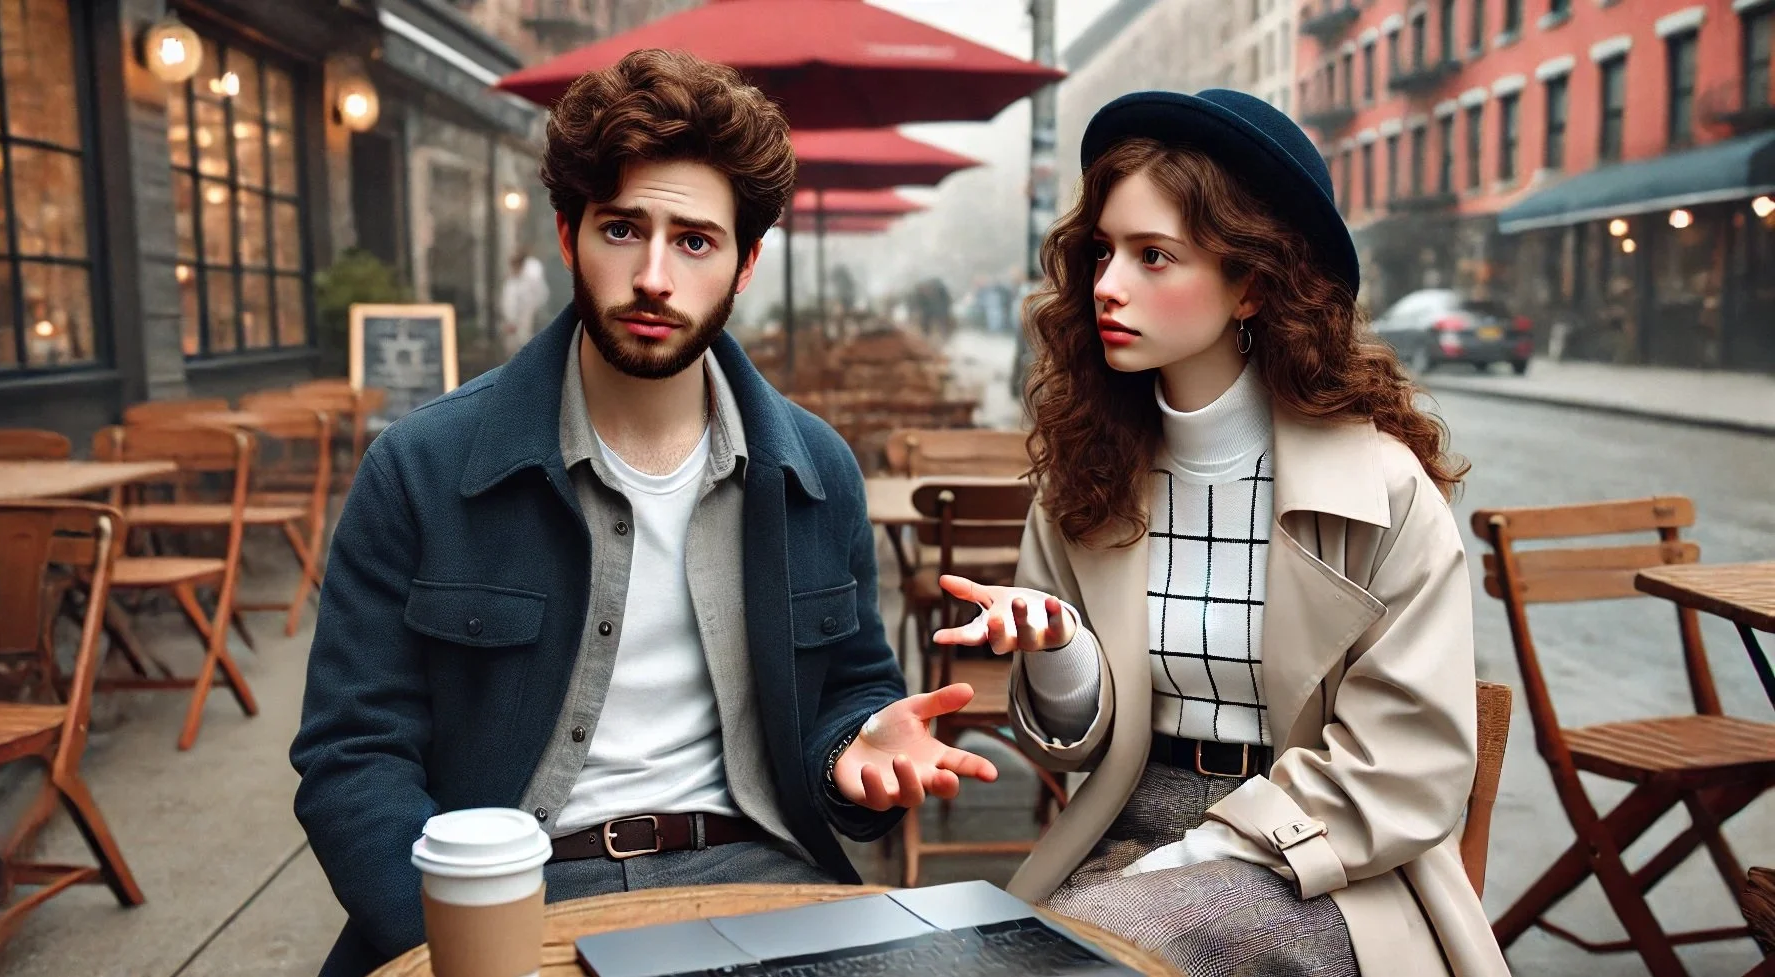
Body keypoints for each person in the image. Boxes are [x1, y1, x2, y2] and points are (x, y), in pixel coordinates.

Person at [291, 49, 998, 977]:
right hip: (517, 896)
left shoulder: (814, 469)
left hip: (762, 878)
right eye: (624, 229)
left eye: (695, 241)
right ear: (567, 234)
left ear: (745, 264)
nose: (655, 275)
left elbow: (850, 692)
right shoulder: (422, 467)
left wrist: (855, 757)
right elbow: (353, 757)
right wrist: (447, 937)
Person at [935, 90, 1510, 975]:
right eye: (1103, 252)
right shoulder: (1086, 473)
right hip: (1121, 824)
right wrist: (1060, 652)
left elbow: (1405, 766)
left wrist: (1200, 858)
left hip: (1323, 860)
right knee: (1003, 952)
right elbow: (1080, 746)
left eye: (1153, 255)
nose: (1107, 286)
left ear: (1252, 284)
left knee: (1084, 951)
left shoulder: (1382, 488)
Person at [498, 249, 551, 357]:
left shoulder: (531, 276)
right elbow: (509, 304)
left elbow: (539, 296)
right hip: (517, 324)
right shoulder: (512, 283)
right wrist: (510, 321)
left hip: (530, 319)